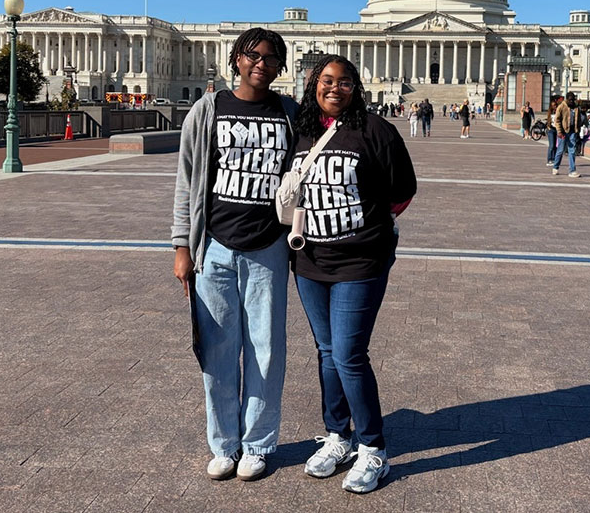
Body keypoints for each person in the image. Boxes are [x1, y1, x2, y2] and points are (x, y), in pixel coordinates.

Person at [171, 27, 297, 482]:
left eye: (271, 57)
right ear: (237, 60)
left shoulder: (289, 113)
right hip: (216, 248)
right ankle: (224, 443)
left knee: (266, 351)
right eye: (254, 55)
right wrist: (182, 245)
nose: (262, 63)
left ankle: (258, 443)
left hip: (268, 248)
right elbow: (188, 183)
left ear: (281, 66)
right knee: (217, 351)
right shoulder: (207, 111)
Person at [291, 55, 417, 494]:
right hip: (310, 261)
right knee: (326, 351)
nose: (335, 89)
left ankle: (373, 448)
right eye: (327, 81)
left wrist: (369, 227)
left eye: (344, 82)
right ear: (314, 85)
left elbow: (403, 190)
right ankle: (337, 435)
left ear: (356, 87)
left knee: (347, 353)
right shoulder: (304, 130)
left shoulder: (376, 130)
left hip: (360, 262)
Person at [551, 92, 581, 177]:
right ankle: (555, 167)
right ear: (566, 99)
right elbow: (557, 120)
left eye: (573, 99)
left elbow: (578, 119)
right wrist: (559, 131)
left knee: (572, 150)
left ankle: (572, 170)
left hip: (572, 131)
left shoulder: (576, 108)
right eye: (570, 100)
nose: (572, 101)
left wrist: (577, 129)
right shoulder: (561, 107)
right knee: (560, 150)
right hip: (563, 131)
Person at [544, 95, 561, 166]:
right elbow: (548, 121)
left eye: (556, 105)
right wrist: (548, 127)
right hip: (550, 130)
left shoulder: (558, 112)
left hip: (556, 129)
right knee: (551, 145)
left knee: (555, 145)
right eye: (554, 105)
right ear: (551, 106)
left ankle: (554, 159)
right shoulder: (550, 113)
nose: (555, 106)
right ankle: (549, 159)